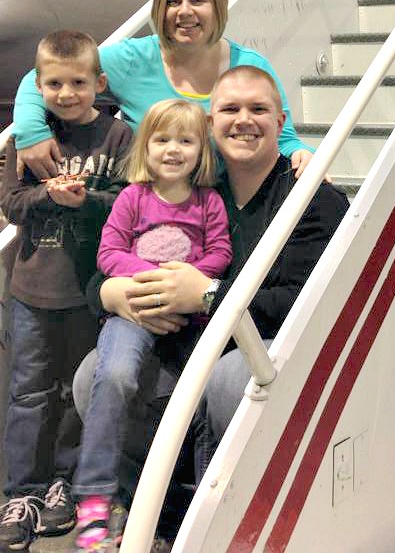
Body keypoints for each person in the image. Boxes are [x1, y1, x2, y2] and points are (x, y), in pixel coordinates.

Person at [73, 65, 349, 538]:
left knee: (224, 382)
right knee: (89, 377)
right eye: (231, 109)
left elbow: (304, 301)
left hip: (263, 352)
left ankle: (228, 524)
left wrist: (205, 295)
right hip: (183, 346)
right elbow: (111, 260)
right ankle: (148, 509)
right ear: (210, 122)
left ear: (281, 122)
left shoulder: (314, 200)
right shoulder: (193, 188)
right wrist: (109, 294)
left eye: (258, 109)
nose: (244, 120)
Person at [72, 99, 232, 551]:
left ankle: (204, 514)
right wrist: (148, 277)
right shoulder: (132, 198)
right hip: (136, 310)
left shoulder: (209, 202)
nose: (173, 149)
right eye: (162, 139)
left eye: (186, 140)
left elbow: (220, 253)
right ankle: (96, 498)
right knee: (115, 376)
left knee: (198, 399)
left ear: (201, 151)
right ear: (146, 147)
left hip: (188, 317)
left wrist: (185, 277)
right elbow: (108, 254)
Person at [0, 31, 132, 553]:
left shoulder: (118, 139)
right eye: (54, 83)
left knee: (77, 393)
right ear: (38, 85)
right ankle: (21, 491)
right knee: (28, 391)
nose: (67, 92)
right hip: (33, 288)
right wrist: (49, 197)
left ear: (98, 83)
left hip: (89, 289)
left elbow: (127, 202)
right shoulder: (26, 140)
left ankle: (65, 483)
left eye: (79, 82)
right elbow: (11, 204)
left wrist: (85, 201)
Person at [11, 0, 313, 182]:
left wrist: (301, 154)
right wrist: (31, 133)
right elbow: (42, 77)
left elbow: (282, 138)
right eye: (172, 2)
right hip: (142, 210)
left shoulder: (249, 67)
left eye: (197, 0)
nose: (184, 11)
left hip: (219, 213)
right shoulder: (132, 59)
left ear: (218, 6)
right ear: (159, 9)